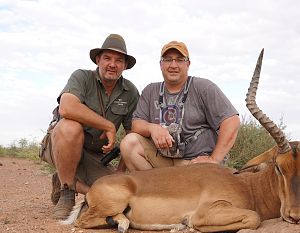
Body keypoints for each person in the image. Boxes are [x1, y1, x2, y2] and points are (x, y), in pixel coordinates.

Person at [42, 34, 139, 219]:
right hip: (61, 145)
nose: (113, 64)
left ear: (125, 66)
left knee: (113, 191)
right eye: (107, 58)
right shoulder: (82, 77)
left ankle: (67, 182)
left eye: (119, 60)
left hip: (94, 155)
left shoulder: (131, 92)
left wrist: (119, 172)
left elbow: (131, 134)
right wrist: (109, 126)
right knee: (69, 127)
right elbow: (66, 107)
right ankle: (66, 192)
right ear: (98, 60)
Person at [120, 40, 240, 171]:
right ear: (161, 64)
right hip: (163, 160)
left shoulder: (204, 87)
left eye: (179, 60)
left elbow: (231, 121)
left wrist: (214, 159)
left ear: (188, 64)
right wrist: (152, 128)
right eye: (168, 59)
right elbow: (136, 123)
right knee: (129, 143)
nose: (173, 65)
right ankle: (155, 189)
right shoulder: (150, 90)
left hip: (196, 163)